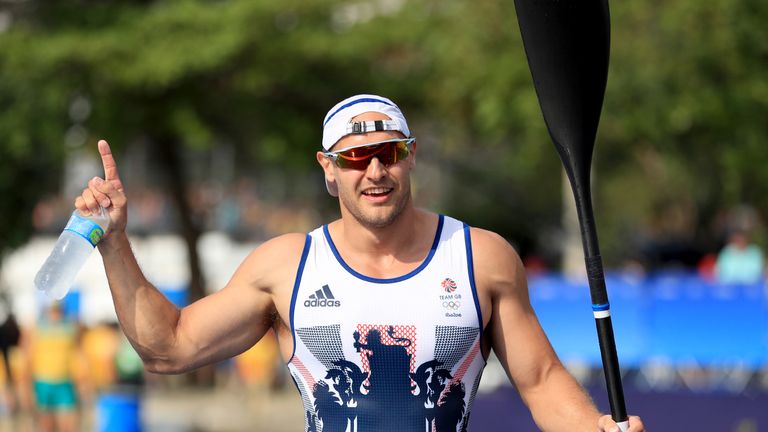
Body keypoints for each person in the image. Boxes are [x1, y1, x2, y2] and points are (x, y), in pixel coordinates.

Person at [75, 94, 644, 431]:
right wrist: (115, 243)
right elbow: (167, 346)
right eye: (355, 159)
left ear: (411, 156)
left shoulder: (481, 258)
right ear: (328, 168)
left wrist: (596, 429)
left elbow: (542, 380)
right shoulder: (285, 265)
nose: (375, 171)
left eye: (389, 153)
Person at [22, 302, 82, 432]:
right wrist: (27, 386)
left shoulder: (69, 328)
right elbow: (28, 358)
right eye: (53, 311)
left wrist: (81, 381)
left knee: (68, 424)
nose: (55, 315)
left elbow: (78, 354)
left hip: (65, 381)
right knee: (46, 425)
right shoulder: (37, 329)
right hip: (43, 382)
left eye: (58, 311)